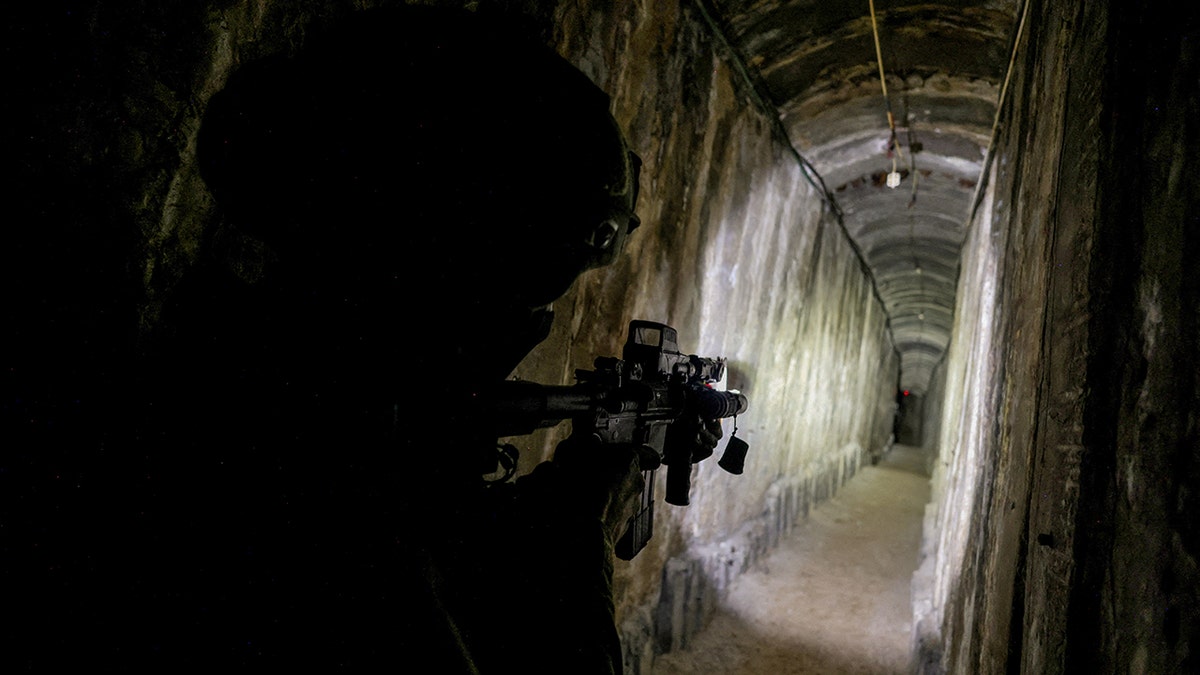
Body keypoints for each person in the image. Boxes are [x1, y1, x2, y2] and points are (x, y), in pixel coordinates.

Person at [108, 5, 648, 672]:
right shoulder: (292, 469)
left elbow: (437, 527)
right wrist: (577, 526)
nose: (520, 328)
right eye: (512, 297)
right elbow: (394, 566)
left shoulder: (258, 378)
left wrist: (577, 486)